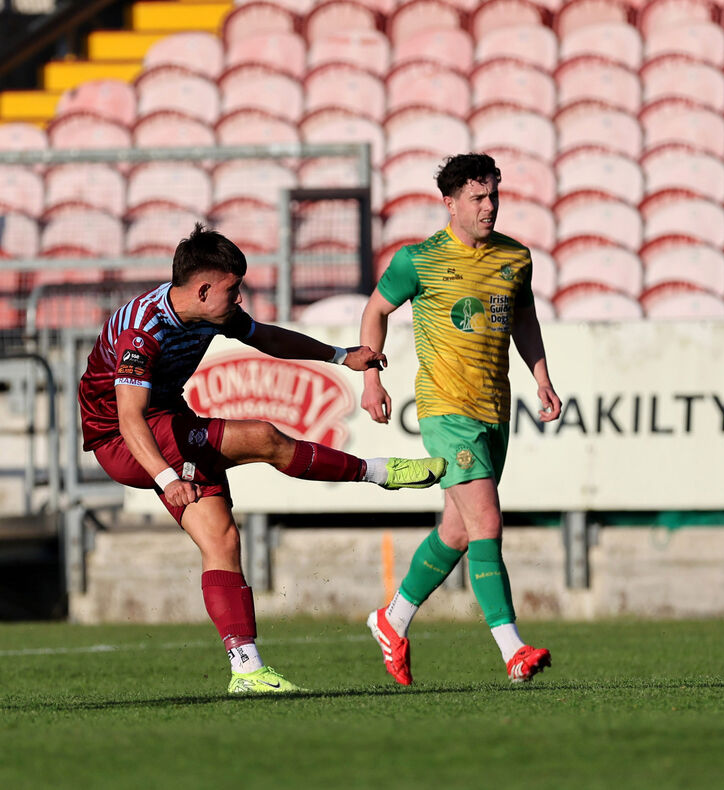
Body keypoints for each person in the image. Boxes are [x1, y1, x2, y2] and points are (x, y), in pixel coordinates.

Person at [78, 224, 447, 693]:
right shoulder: (142, 330)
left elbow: (266, 338)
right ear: (204, 288)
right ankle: (378, 472)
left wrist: (340, 355)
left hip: (164, 425)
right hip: (124, 439)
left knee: (223, 540)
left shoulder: (209, 311)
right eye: (233, 290)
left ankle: (246, 669)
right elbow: (129, 418)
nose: (239, 298)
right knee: (262, 437)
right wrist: (168, 478)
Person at [359, 152, 562, 685]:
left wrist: (541, 377)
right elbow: (376, 309)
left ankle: (392, 618)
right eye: (478, 198)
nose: (489, 206)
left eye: (493, 195)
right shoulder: (418, 260)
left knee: (457, 530)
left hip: (495, 410)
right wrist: (371, 377)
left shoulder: (515, 258)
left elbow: (525, 319)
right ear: (450, 204)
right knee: (487, 523)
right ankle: (512, 650)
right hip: (446, 410)